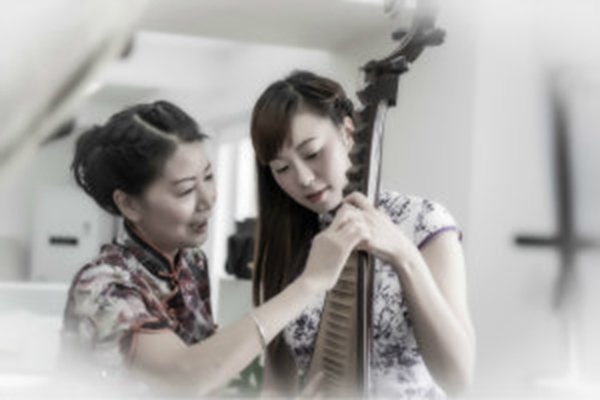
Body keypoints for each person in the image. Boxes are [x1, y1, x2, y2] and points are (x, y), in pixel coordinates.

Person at [60, 100, 363, 397]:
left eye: (208, 176)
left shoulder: (192, 262)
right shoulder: (103, 287)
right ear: (129, 204)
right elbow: (184, 378)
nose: (208, 200)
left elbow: (209, 385)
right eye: (186, 190)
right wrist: (310, 282)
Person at [250, 70, 476, 399]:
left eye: (312, 153)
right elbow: (276, 388)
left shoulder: (423, 222)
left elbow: (459, 378)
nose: (304, 178)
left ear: (347, 132)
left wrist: (404, 255)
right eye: (282, 168)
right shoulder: (290, 244)